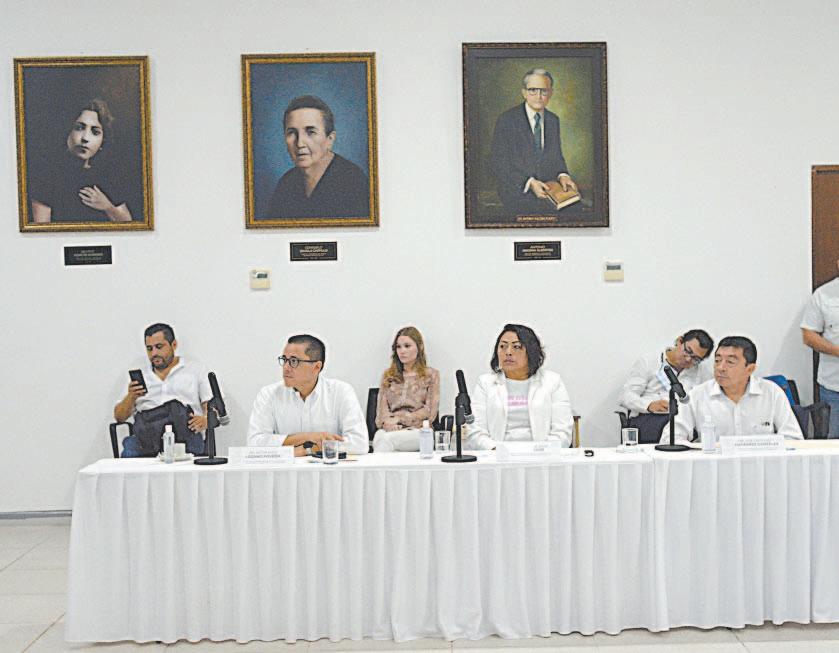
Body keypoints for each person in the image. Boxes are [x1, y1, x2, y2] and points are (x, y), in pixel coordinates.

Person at [662, 336, 803, 444]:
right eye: (717, 360)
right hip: (713, 468)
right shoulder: (697, 395)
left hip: (761, 467)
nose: (720, 368)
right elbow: (670, 438)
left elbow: (793, 439)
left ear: (750, 369)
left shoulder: (772, 393)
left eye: (730, 362)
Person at [247, 334, 368, 455]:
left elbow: (359, 443)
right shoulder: (268, 394)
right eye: (284, 360)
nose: (286, 367)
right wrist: (307, 437)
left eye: (293, 361)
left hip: (327, 467)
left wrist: (308, 449)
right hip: (286, 467)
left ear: (316, 367)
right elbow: (254, 442)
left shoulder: (341, 391)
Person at [467, 324, 573, 450]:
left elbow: (562, 432)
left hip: (541, 456)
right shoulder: (485, 383)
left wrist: (540, 452)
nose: (508, 352)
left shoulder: (552, 382)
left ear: (531, 351)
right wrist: (496, 450)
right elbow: (475, 431)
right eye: (503, 346)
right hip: (496, 456)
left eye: (516, 347)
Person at [113, 323, 212, 457]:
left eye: (159, 347)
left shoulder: (196, 370)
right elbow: (119, 417)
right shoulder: (141, 375)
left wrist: (205, 420)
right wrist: (131, 396)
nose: (154, 353)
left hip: (185, 435)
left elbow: (213, 408)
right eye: (149, 349)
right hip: (146, 438)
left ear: (174, 345)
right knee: (129, 451)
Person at [490, 68, 579, 215]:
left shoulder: (553, 120)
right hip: (517, 190)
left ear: (551, 93)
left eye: (544, 91)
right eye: (533, 90)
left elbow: (556, 156)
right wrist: (529, 183)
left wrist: (563, 175)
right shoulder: (507, 120)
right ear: (524, 93)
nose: (539, 96)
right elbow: (498, 162)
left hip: (548, 190)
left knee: (577, 211)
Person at [265, 95, 369, 219]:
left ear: (330, 139)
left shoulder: (354, 182)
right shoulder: (286, 183)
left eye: (311, 132)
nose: (300, 143)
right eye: (292, 132)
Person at [29, 98, 133, 223]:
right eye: (79, 128)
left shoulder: (109, 176)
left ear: (102, 141)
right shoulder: (46, 176)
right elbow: (42, 228)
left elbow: (128, 224)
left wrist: (107, 207)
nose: (85, 138)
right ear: (67, 132)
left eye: (95, 132)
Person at [372, 326, 440, 452]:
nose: (402, 351)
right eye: (398, 347)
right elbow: (381, 413)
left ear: (419, 347)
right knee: (380, 436)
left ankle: (378, 466)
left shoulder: (431, 375)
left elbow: (430, 412)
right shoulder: (388, 376)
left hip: (420, 431)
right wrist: (388, 423)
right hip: (391, 429)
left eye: (407, 346)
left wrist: (401, 419)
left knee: (386, 440)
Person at [619, 329, 714, 415]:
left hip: (684, 421)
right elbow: (625, 396)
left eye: (696, 359)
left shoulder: (702, 372)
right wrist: (648, 405)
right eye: (688, 351)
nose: (688, 359)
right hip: (650, 417)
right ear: (679, 341)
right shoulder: (649, 362)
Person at [801, 259, 839, 437]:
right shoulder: (824, 294)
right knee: (834, 446)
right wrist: (837, 351)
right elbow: (808, 335)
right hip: (834, 386)